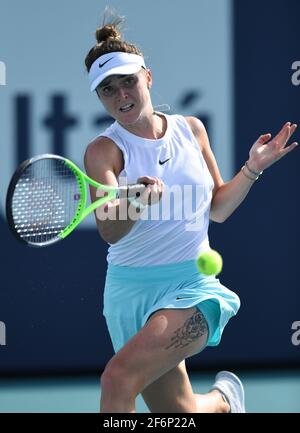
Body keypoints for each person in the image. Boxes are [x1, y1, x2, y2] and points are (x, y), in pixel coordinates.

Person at [84, 14, 298, 414]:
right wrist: (134, 201)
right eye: (108, 90)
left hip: (192, 288)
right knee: (180, 413)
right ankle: (223, 404)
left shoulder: (191, 130)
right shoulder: (103, 151)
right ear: (100, 98)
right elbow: (110, 229)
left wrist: (253, 168)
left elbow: (218, 208)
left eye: (128, 81)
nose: (121, 95)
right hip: (127, 295)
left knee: (116, 380)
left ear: (148, 77)